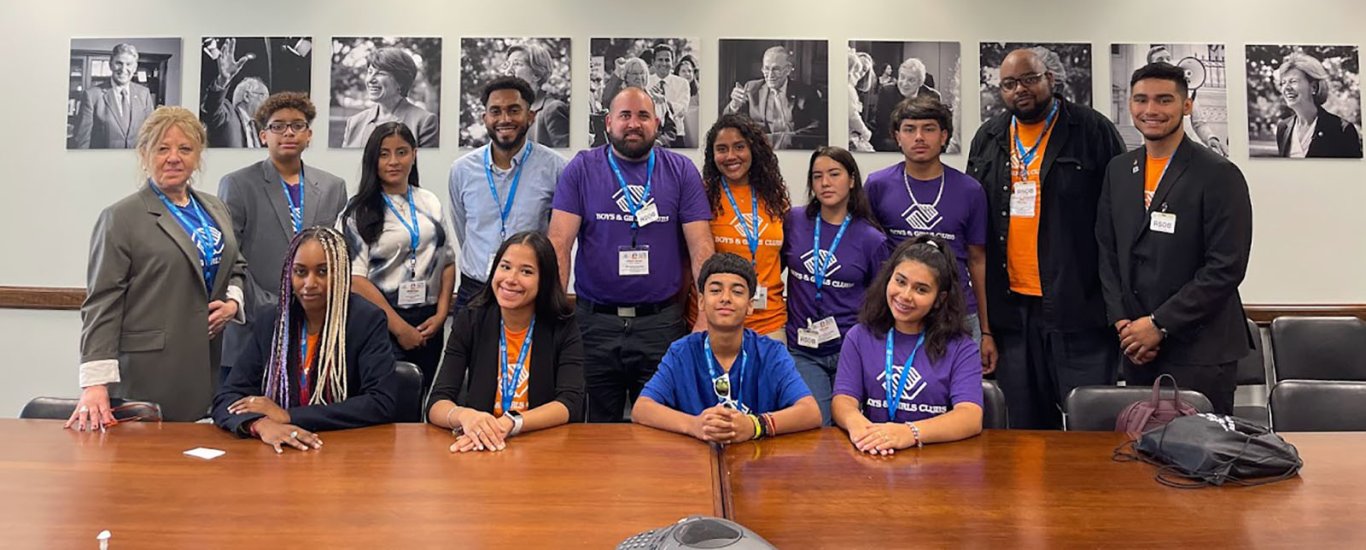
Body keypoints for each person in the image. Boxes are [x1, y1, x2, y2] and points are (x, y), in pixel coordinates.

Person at [965, 48, 1126, 430]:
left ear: (1051, 80)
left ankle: (1087, 493)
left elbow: (1120, 218)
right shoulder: (988, 137)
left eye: (1029, 79)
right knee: (1024, 429)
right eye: (1008, 84)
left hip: (1079, 310)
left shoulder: (1092, 131)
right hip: (1012, 314)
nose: (1019, 89)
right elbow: (976, 228)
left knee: (1090, 428)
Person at [70, 106, 247, 428]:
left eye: (185, 148)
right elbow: (102, 303)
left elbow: (236, 263)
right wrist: (95, 383)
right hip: (149, 372)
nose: (173, 157)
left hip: (210, 363)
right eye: (162, 148)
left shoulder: (215, 208)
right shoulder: (121, 218)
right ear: (144, 154)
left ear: (198, 155)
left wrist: (233, 303)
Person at [548, 86, 715, 422]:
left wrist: (705, 316)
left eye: (642, 116)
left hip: (661, 325)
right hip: (593, 324)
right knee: (593, 429)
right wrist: (552, 317)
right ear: (608, 122)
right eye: (625, 115)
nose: (633, 123)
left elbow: (702, 247)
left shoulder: (681, 171)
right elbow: (559, 244)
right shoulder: (581, 169)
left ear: (657, 121)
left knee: (661, 428)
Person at [1097, 63, 1255, 415]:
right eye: (1141, 100)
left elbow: (1225, 267)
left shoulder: (1218, 173)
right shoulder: (1119, 170)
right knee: (1142, 456)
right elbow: (1107, 252)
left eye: (1164, 100)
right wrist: (1124, 322)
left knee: (1200, 457)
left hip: (1200, 350)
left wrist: (1159, 325)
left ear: (1186, 105)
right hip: (1136, 347)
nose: (1151, 110)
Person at [213, 227, 401, 452]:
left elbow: (380, 402)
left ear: (340, 272)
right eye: (300, 272)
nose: (309, 283)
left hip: (344, 450)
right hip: (279, 452)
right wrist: (259, 425)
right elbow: (227, 397)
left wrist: (289, 416)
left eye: (322, 271)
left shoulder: (365, 320)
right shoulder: (273, 321)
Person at [217, 92, 348, 381]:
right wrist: (273, 307)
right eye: (278, 126)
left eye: (297, 125)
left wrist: (309, 307)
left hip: (314, 327)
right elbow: (229, 256)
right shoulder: (237, 185)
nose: (288, 132)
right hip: (253, 326)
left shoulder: (332, 187)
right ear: (263, 135)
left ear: (309, 135)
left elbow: (337, 256)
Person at [865, 96, 995, 373]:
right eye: (910, 129)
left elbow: (978, 261)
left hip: (957, 313)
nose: (919, 137)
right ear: (897, 137)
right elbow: (869, 255)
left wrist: (986, 331)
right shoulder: (877, 186)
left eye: (929, 128)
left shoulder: (970, 190)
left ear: (944, 136)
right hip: (897, 311)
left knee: (960, 403)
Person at [633, 253, 821, 443]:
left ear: (749, 305)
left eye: (737, 292)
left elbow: (810, 412)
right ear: (701, 301)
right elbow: (642, 408)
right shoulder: (681, 352)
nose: (725, 298)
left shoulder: (772, 353)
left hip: (757, 462)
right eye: (715, 291)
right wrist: (694, 425)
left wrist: (755, 425)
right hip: (697, 462)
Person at [426, 232, 585, 452]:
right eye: (505, 267)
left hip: (542, 447)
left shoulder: (563, 326)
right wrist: (465, 417)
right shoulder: (471, 319)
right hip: (480, 447)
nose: (511, 279)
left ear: (544, 280)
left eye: (526, 271)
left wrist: (511, 423)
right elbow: (437, 402)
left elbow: (570, 403)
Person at [832, 237, 984, 454]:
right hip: (875, 457)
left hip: (936, 463)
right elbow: (844, 400)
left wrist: (909, 433)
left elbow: (970, 416)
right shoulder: (860, 336)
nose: (905, 296)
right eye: (900, 281)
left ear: (939, 299)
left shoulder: (962, 348)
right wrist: (860, 428)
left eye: (921, 290)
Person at [339, 122, 456, 397]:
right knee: (386, 402)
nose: (393, 161)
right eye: (384, 154)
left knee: (420, 397)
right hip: (379, 321)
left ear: (414, 154)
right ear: (372, 159)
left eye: (401, 152)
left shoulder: (429, 201)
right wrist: (399, 328)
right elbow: (355, 280)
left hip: (428, 322)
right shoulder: (357, 211)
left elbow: (447, 261)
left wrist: (440, 315)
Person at [784, 146, 890, 426]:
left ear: (852, 179)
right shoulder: (794, 221)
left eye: (834, 174)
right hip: (802, 348)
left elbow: (881, 302)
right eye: (817, 176)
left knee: (850, 427)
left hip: (850, 349)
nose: (825, 183)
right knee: (816, 425)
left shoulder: (871, 238)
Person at [449, 76, 568, 312]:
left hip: (530, 291)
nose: (504, 119)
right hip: (475, 291)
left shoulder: (556, 169)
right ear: (485, 118)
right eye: (496, 111)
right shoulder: (462, 170)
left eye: (514, 110)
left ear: (530, 116)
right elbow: (462, 229)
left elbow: (558, 237)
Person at [688, 114, 789, 340]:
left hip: (768, 323)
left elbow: (780, 257)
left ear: (753, 149)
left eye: (739, 147)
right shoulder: (701, 197)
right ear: (712, 155)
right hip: (714, 322)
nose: (731, 156)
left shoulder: (775, 199)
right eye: (722, 149)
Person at [723, 46, 827, 149]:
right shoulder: (752, 89)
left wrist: (783, 140)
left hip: (794, 149)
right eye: (766, 69)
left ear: (788, 70)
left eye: (776, 69)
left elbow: (818, 127)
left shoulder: (806, 92)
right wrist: (734, 105)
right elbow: (727, 123)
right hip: (761, 152)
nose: (770, 75)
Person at [342, 47, 439, 149]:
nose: (370, 79)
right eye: (370, 72)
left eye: (381, 73)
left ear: (401, 81)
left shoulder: (424, 122)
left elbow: (425, 164)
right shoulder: (354, 122)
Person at [1273, 52, 1363, 158]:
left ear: (1314, 87)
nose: (1286, 88)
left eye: (1293, 81)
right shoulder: (1283, 128)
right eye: (1283, 83)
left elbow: (1354, 173)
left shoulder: (1342, 130)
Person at [72, 43, 153, 149]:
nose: (123, 69)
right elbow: (82, 141)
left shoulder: (144, 93)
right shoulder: (92, 96)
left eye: (128, 64)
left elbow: (151, 134)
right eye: (119, 63)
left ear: (135, 68)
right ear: (110, 64)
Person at [202, 38, 268, 148]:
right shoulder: (226, 113)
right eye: (264, 96)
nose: (267, 103)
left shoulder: (260, 128)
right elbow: (212, 108)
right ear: (247, 96)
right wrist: (223, 80)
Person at [506, 40, 569, 148]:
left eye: (517, 64)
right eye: (507, 65)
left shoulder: (552, 109)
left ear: (536, 74)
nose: (508, 71)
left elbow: (566, 159)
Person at [871, 58, 941, 151]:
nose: (904, 83)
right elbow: (883, 123)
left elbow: (934, 126)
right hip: (894, 139)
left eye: (911, 80)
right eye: (902, 77)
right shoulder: (887, 92)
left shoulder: (932, 96)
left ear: (920, 82)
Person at [649, 43, 691, 143]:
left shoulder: (682, 83)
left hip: (676, 135)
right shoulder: (646, 82)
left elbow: (682, 110)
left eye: (667, 60)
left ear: (673, 62)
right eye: (660, 60)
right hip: (651, 136)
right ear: (653, 62)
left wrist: (663, 101)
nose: (664, 63)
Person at [847, 49, 877, 152]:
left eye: (864, 70)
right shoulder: (848, 88)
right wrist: (865, 132)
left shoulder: (854, 90)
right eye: (857, 67)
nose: (859, 72)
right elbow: (852, 115)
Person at [675, 54, 702, 148]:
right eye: (683, 71)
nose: (687, 74)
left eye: (689, 71)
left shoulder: (699, 93)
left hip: (695, 131)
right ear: (677, 73)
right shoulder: (674, 91)